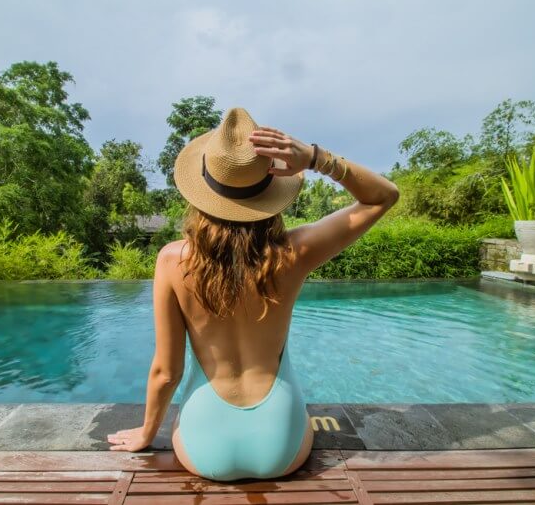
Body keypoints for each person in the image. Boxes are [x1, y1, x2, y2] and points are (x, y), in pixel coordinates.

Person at [106, 107, 400, 481]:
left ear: (201, 192)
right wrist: (315, 158)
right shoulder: (295, 252)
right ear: (272, 192)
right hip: (280, 444)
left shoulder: (171, 261)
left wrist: (147, 434)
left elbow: (167, 372)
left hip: (204, 447)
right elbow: (383, 196)